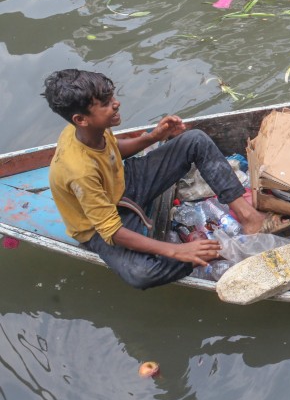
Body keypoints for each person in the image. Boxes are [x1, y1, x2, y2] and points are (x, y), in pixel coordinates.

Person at [42, 69, 266, 289]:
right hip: (100, 227)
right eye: (106, 104)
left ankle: (249, 217)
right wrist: (176, 250)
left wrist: (153, 137)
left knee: (195, 140)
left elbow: (113, 150)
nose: (116, 104)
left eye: (112, 98)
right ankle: (216, 256)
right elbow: (111, 231)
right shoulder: (78, 170)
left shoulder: (88, 130)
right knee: (142, 274)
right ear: (81, 119)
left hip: (123, 186)